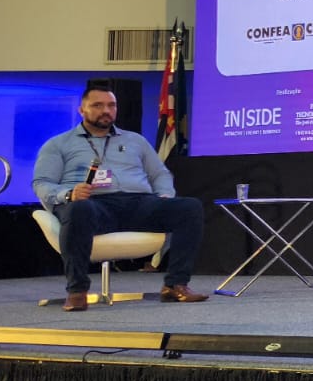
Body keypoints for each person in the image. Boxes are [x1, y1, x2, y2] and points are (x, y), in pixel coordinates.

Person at [32, 87, 209, 311]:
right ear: (81, 110)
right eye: (97, 105)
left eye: (111, 105)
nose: (106, 110)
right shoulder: (58, 144)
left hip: (138, 203)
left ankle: (175, 285)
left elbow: (159, 173)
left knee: (189, 207)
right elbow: (42, 183)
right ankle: (77, 291)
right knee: (79, 209)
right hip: (93, 205)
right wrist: (68, 194)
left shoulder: (135, 140)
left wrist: (164, 194)